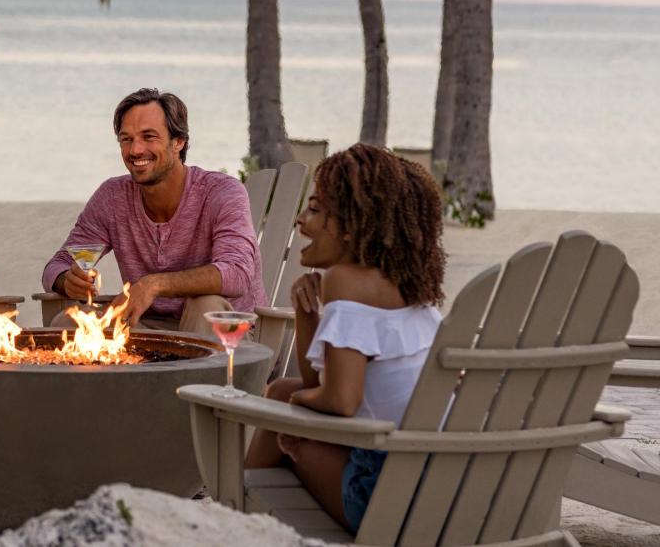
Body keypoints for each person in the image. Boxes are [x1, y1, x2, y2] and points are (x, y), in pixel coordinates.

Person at [245, 144, 446, 534]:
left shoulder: (345, 281)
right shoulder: (411, 286)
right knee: (286, 390)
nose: (301, 220)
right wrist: (307, 313)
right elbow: (320, 382)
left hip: (387, 497)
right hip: (440, 482)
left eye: (316, 209)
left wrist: (290, 406)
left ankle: (228, 518)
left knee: (282, 397)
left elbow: (339, 400)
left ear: (354, 224)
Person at [40, 88, 267, 334]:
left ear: (178, 142)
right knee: (69, 324)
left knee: (205, 304)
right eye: (126, 139)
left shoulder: (221, 193)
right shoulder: (113, 198)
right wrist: (68, 280)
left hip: (232, 337)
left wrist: (154, 284)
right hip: (150, 329)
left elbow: (237, 273)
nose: (135, 150)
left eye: (149, 137)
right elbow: (59, 264)